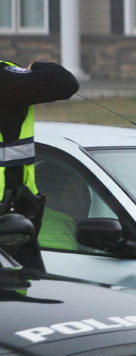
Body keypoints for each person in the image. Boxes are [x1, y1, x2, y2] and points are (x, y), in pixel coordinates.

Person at [0, 59, 79, 269]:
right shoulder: (4, 79)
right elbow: (64, 82)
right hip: (8, 224)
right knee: (17, 297)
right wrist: (36, 66)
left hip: (12, 219)